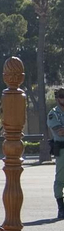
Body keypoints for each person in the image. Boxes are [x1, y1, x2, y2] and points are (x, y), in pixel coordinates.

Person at [48, 88, 64, 220]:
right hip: (62, 151)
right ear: (57, 98)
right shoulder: (54, 114)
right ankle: (61, 208)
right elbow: (60, 131)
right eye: (61, 96)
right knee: (60, 179)